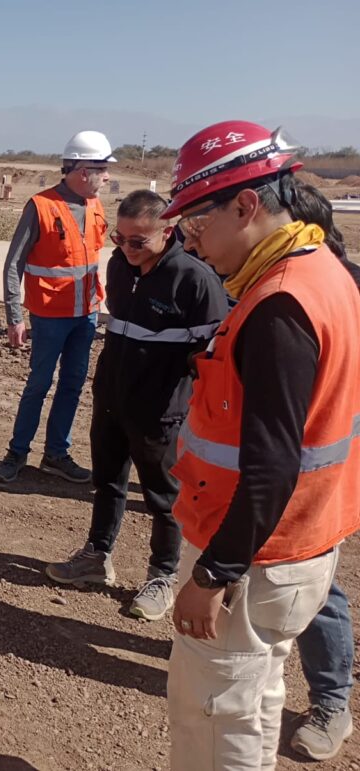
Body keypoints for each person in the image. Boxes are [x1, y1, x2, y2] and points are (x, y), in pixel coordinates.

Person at [161, 121, 360, 770]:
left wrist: (212, 572)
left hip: (257, 557)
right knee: (253, 700)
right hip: (302, 541)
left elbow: (272, 465)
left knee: (219, 721)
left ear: (246, 205)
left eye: (196, 223)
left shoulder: (279, 305)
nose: (191, 243)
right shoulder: (325, 271)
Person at [45, 190, 227, 621]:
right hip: (111, 401)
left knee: (165, 499)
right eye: (119, 239)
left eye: (137, 242)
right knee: (107, 483)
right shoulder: (118, 267)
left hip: (160, 414)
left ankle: (163, 574)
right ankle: (97, 556)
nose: (125, 249)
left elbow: (215, 360)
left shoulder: (195, 280)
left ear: (168, 231)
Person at [0, 131, 115, 484]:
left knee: (73, 385)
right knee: (39, 384)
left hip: (86, 314)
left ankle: (56, 454)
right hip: (49, 317)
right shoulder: (41, 206)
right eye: (102, 169)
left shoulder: (95, 205)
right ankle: (17, 452)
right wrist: (14, 317)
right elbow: (13, 264)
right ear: (81, 171)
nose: (107, 177)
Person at [284, 182, 357, 761]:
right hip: (264, 463)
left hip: (318, 469)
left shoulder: (338, 286)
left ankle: (332, 700)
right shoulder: (263, 284)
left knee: (317, 587)